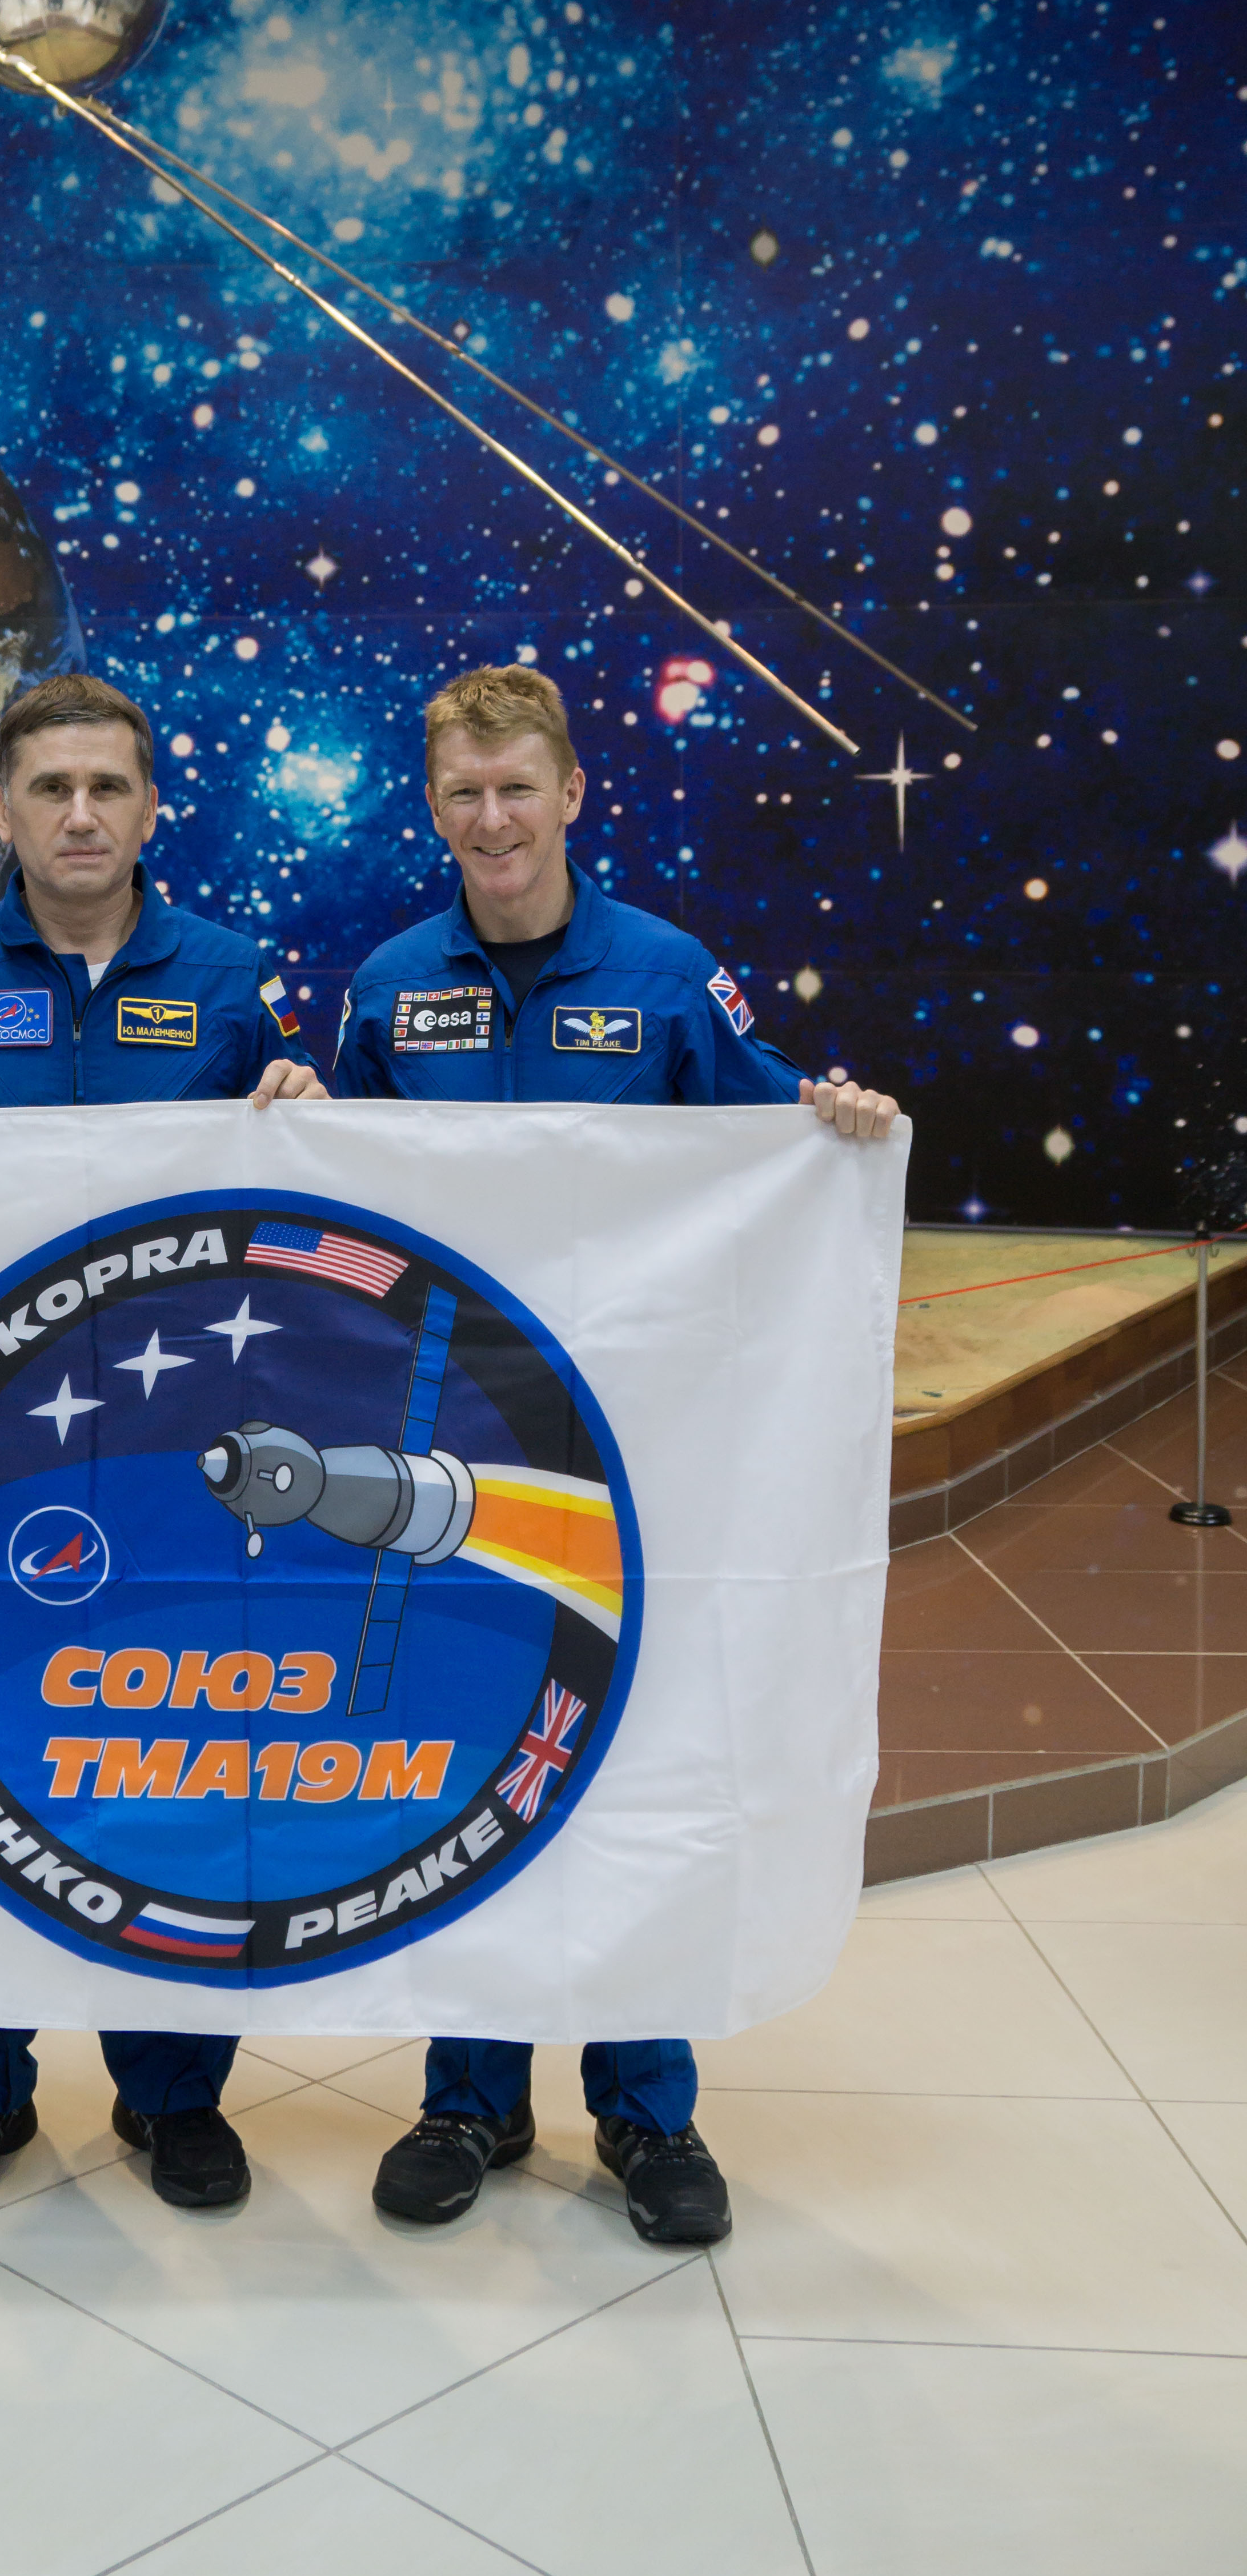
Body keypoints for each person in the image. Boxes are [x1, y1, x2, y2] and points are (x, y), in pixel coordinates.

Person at [333, 662, 901, 2250]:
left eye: (519, 788)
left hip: (641, 1463)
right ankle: (470, 2095)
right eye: (464, 793)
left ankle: (649, 2115)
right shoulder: (388, 986)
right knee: (469, 1758)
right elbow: (339, 1195)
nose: (494, 819)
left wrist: (828, 1116)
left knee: (630, 1767)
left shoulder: (664, 976)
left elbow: (769, 1138)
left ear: (575, 794)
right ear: (433, 807)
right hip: (459, 1459)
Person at [0, 670, 328, 2220]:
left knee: (175, 1761)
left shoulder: (232, 976)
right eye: (49, 789)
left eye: (108, 787)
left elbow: (316, 1205)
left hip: (184, 1465)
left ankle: (174, 2092)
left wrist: (312, 1111)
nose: (81, 815)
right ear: (3, 812)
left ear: (153, 805)